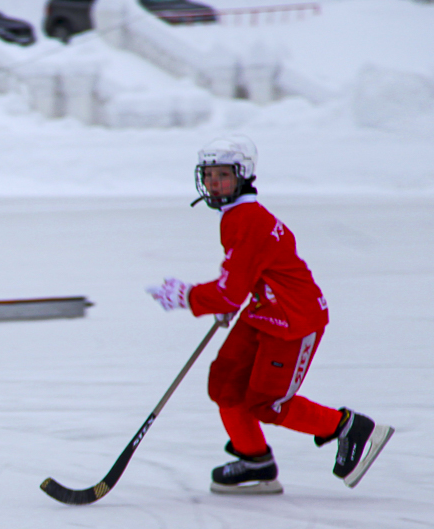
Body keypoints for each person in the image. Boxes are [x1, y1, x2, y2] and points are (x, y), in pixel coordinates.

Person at [147, 136, 392, 494]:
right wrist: (228, 297)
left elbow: (231, 290)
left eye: (223, 175)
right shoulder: (236, 216)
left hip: (294, 320)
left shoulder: (247, 219)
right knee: (225, 382)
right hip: (264, 310)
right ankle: (254, 461)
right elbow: (246, 275)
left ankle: (349, 428)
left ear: (243, 176)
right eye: (209, 175)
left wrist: (188, 296)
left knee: (267, 403)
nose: (215, 183)